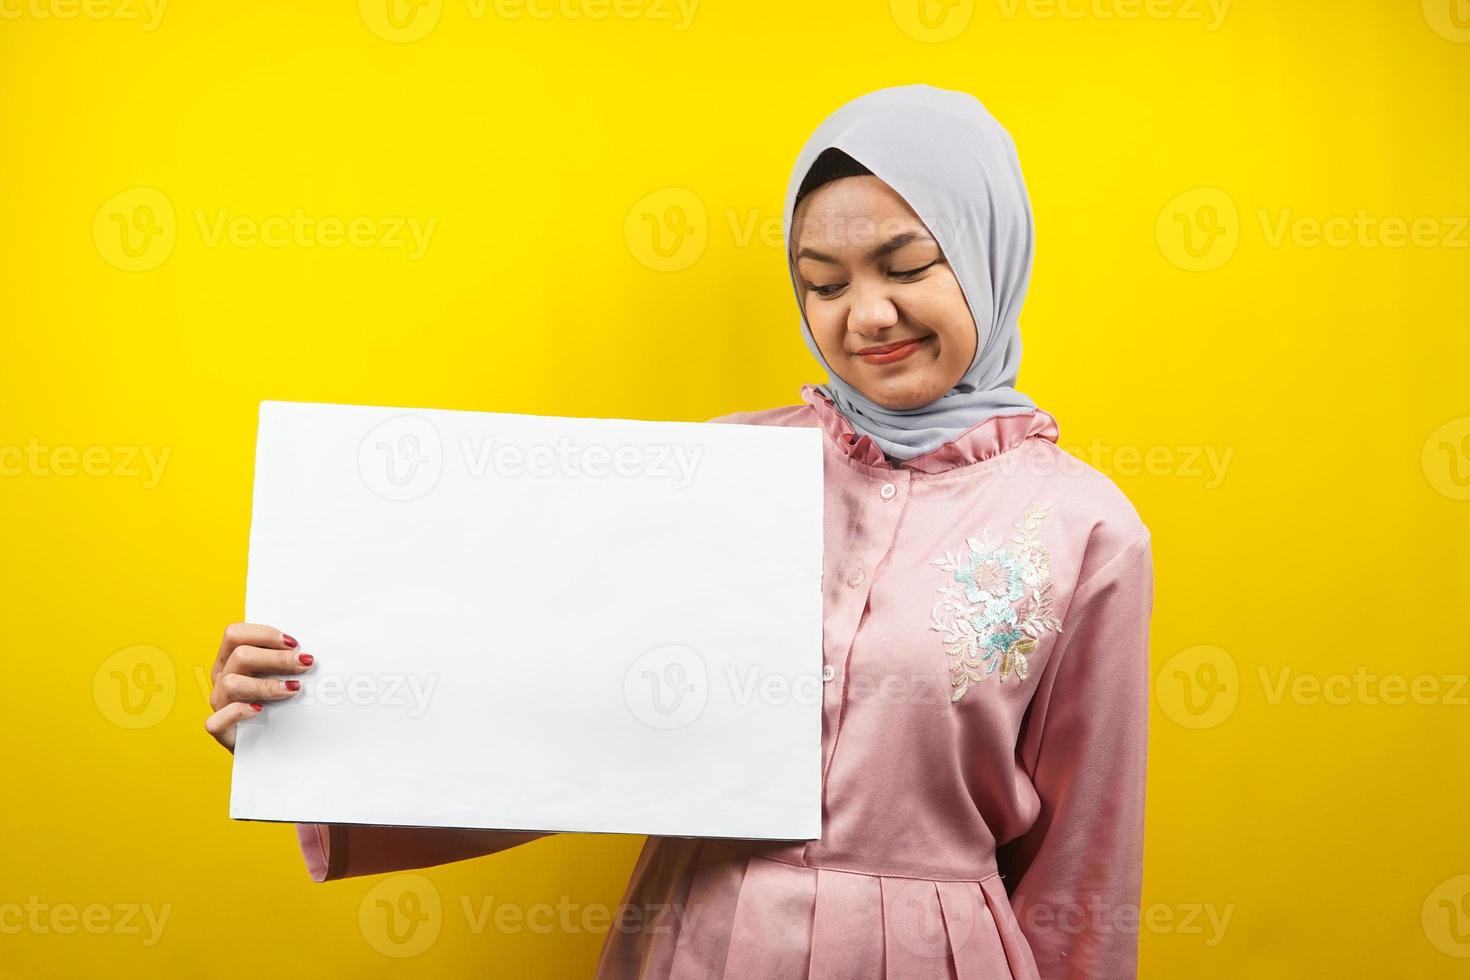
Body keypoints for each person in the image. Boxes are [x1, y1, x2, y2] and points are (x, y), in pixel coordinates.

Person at [206, 83, 1154, 979]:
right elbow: (550, 720)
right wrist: (309, 725)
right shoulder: (719, 472)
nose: (868, 314)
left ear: (991, 249)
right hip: (705, 938)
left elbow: (1084, 859)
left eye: (907, 266)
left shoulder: (1085, 528)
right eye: (823, 284)